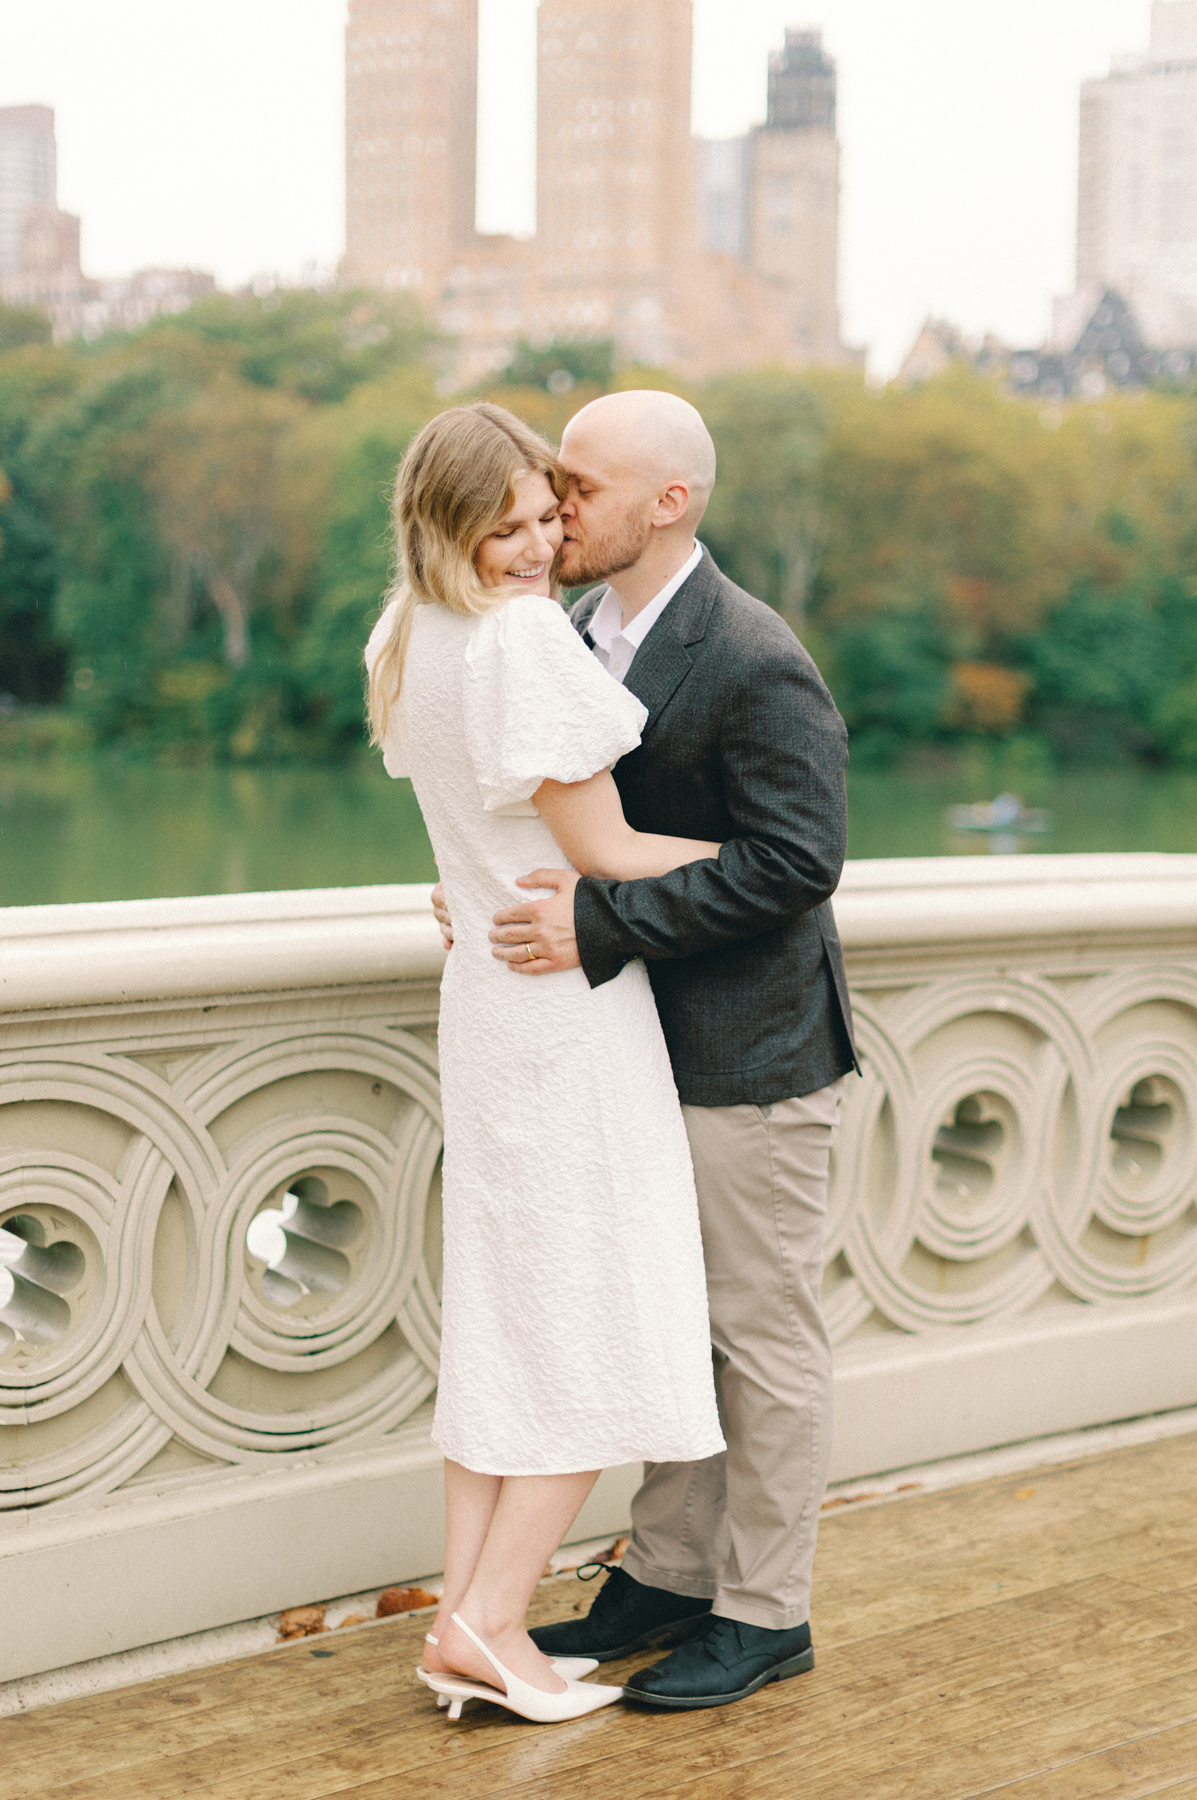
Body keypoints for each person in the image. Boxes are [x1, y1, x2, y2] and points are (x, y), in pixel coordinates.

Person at [438, 388, 859, 1711]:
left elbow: (802, 863)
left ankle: (763, 1609)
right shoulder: (559, 632)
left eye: (581, 486)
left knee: (758, 1336)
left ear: (669, 501)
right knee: (666, 1322)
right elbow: (565, 816)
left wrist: (600, 919)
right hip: (624, 1054)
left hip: (753, 1052)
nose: (554, 508)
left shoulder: (752, 653)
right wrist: (486, 883)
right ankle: (669, 1574)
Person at [364, 402, 725, 1726]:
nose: (530, 550)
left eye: (540, 518)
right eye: (500, 527)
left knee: (514, 1318)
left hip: (484, 993)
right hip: (562, 1005)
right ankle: (494, 1621)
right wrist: (770, 871)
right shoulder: (522, 642)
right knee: (590, 1313)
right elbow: (613, 854)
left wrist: (470, 888)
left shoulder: (407, 629)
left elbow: (469, 830)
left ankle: (464, 1621)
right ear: (443, 526)